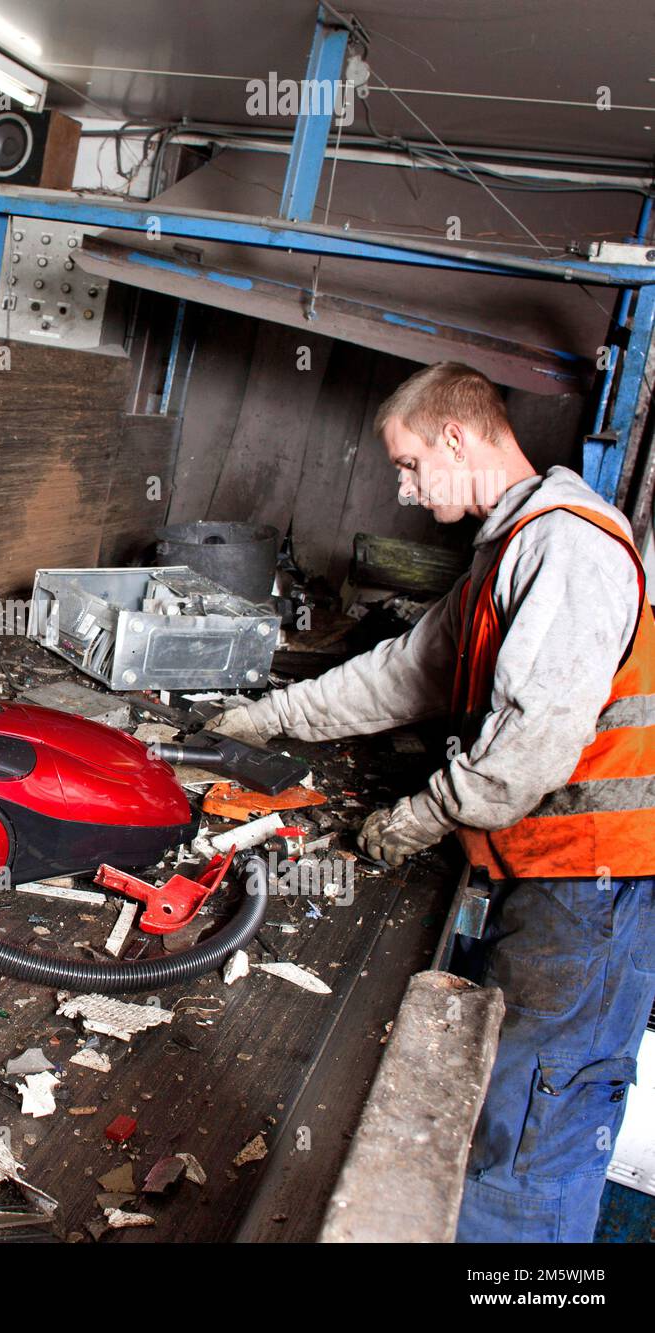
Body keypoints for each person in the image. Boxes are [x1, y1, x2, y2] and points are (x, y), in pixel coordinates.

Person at [211, 361, 655, 1243]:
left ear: (458, 437)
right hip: (558, 872)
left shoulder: (566, 546)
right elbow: (402, 674)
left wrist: (414, 819)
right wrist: (265, 719)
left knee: (528, 1129)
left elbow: (527, 749)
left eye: (410, 465)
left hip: (597, 881)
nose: (405, 492)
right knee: (499, 1098)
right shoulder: (511, 546)